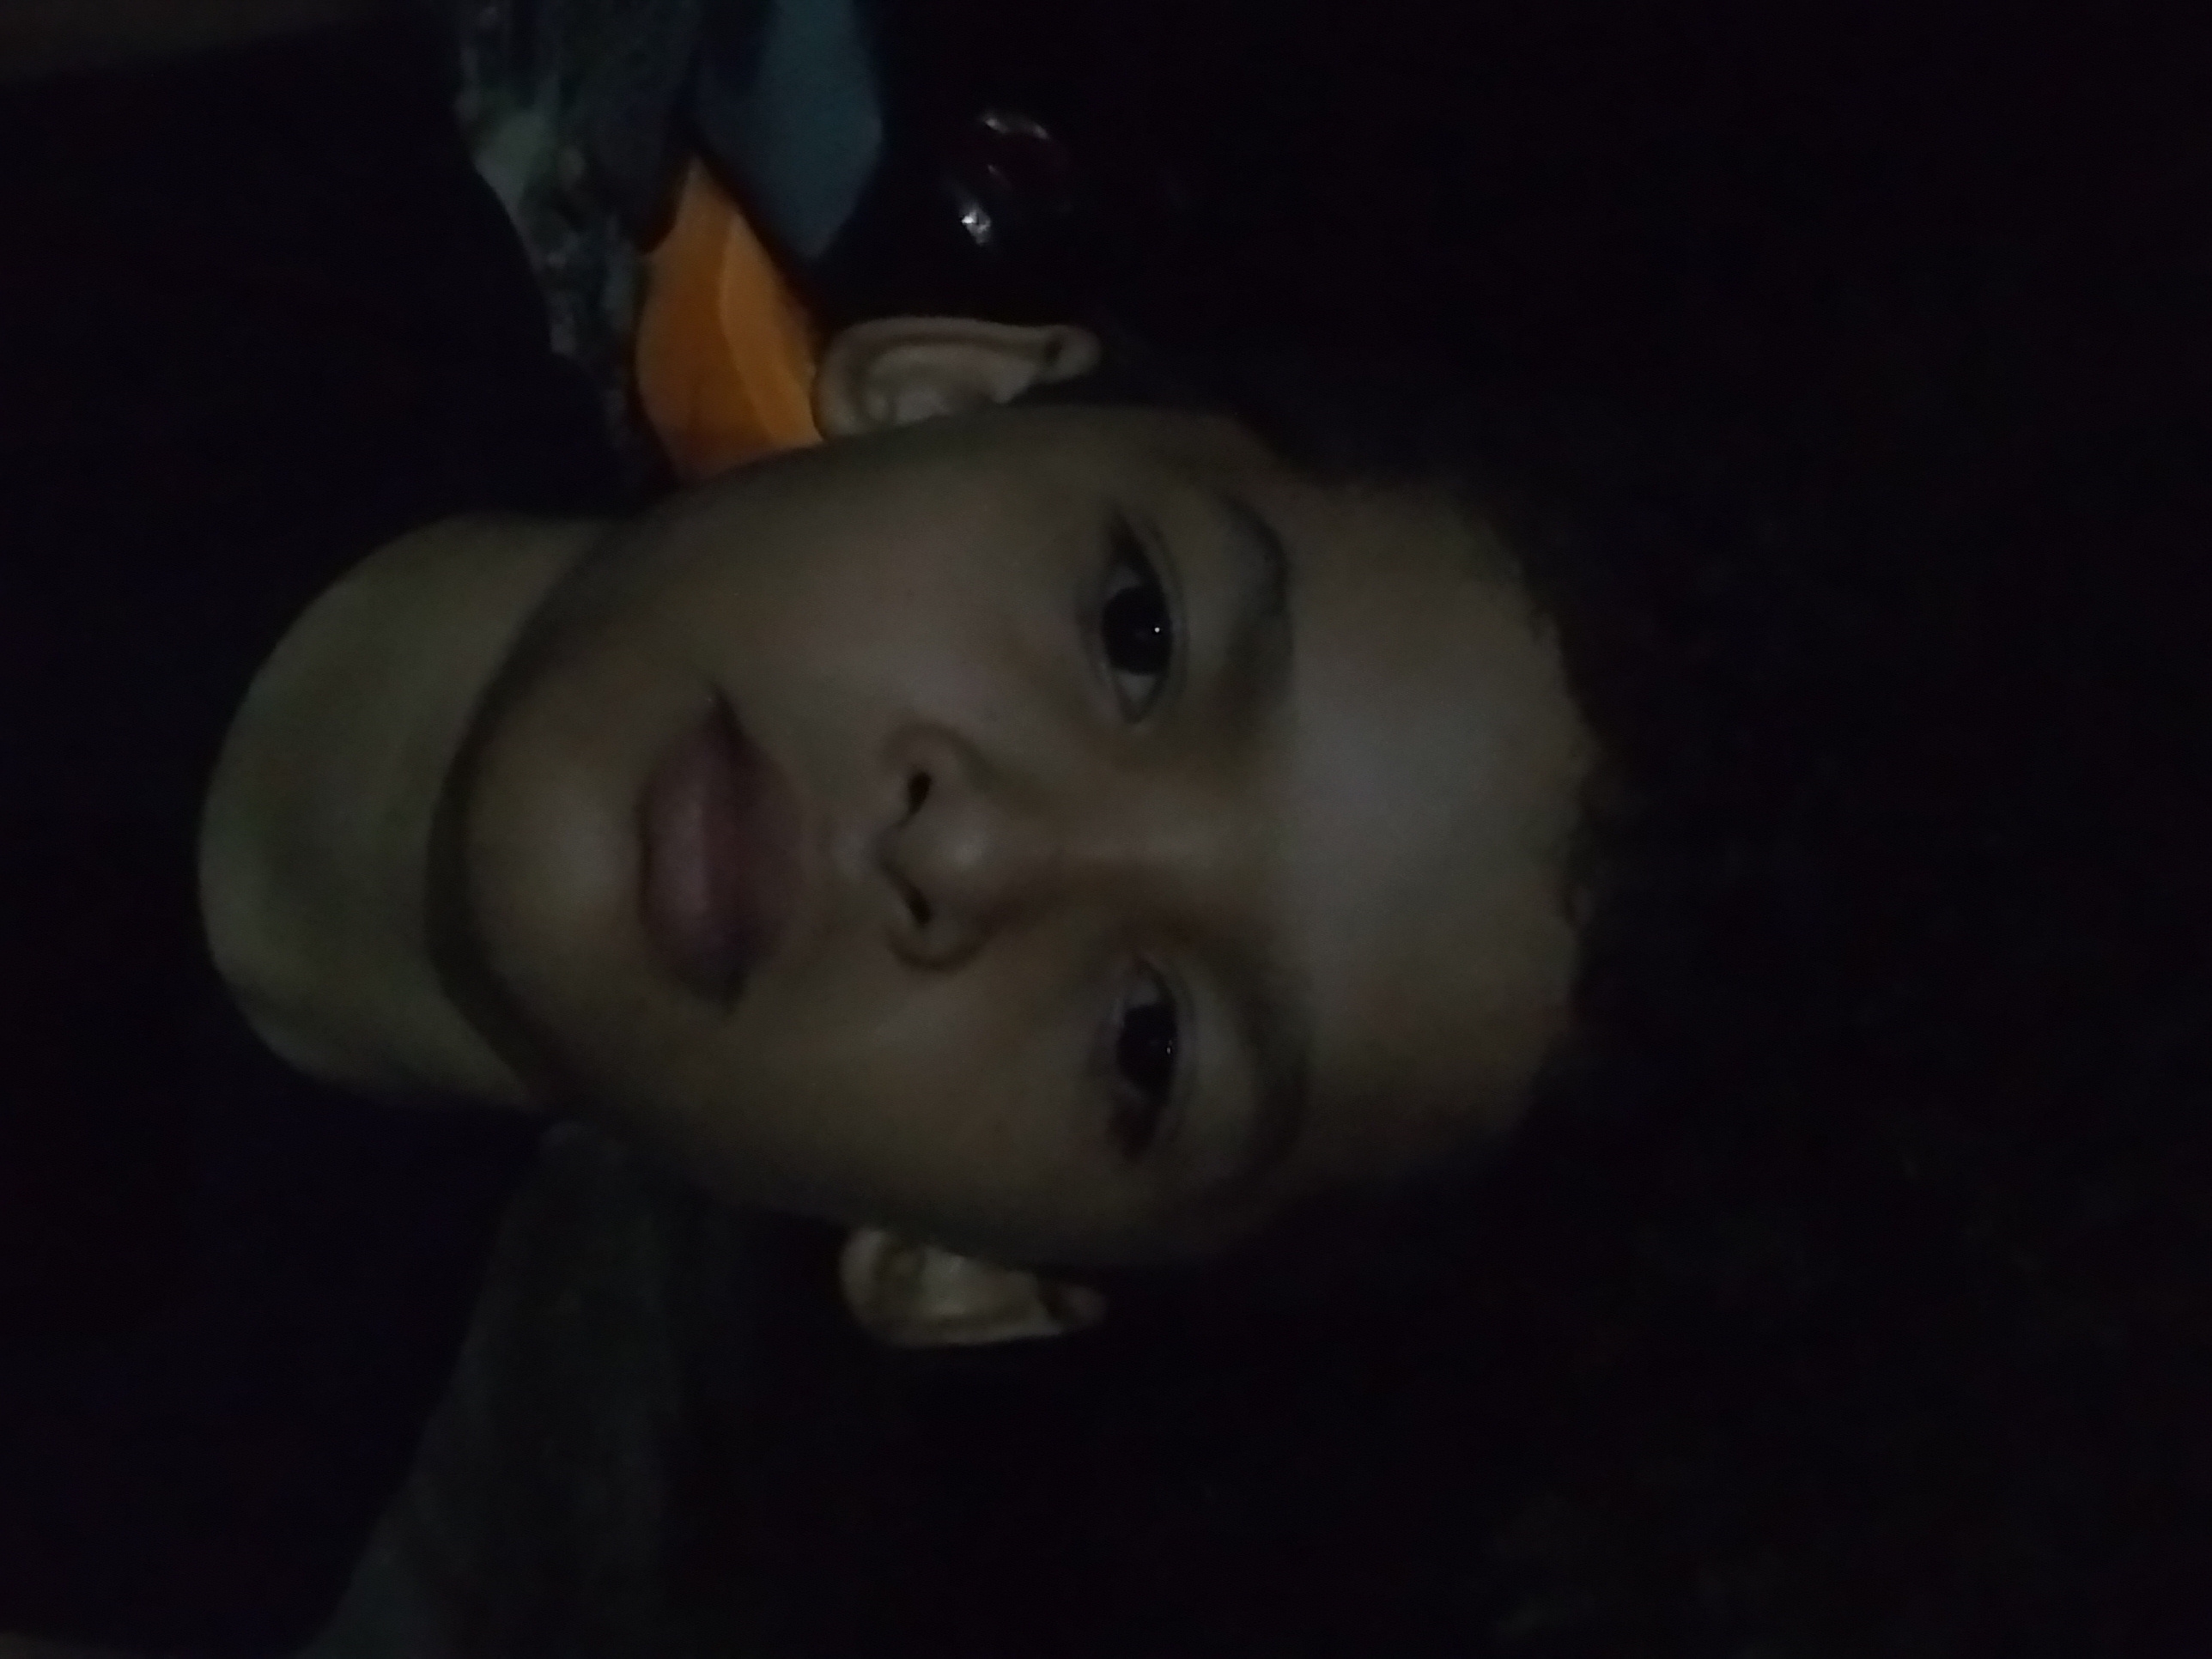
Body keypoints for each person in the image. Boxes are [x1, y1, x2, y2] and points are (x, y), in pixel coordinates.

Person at [7, 4, 2208, 1656]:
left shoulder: (154, 1531)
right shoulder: (193, 114)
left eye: (1151, 1045)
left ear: (965, 1269)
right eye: (1134, 632)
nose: (976, 862)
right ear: (944, 392)